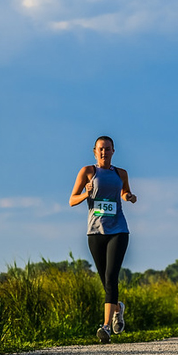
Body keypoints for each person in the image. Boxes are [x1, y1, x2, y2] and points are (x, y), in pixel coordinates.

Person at [69, 136, 137, 343]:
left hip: (118, 230)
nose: (103, 153)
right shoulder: (88, 172)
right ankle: (118, 308)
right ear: (94, 151)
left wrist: (129, 197)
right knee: (105, 281)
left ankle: (105, 327)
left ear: (113, 151)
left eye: (107, 149)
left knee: (111, 277)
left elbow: (125, 192)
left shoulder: (121, 173)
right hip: (95, 232)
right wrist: (85, 194)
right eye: (100, 149)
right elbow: (72, 199)